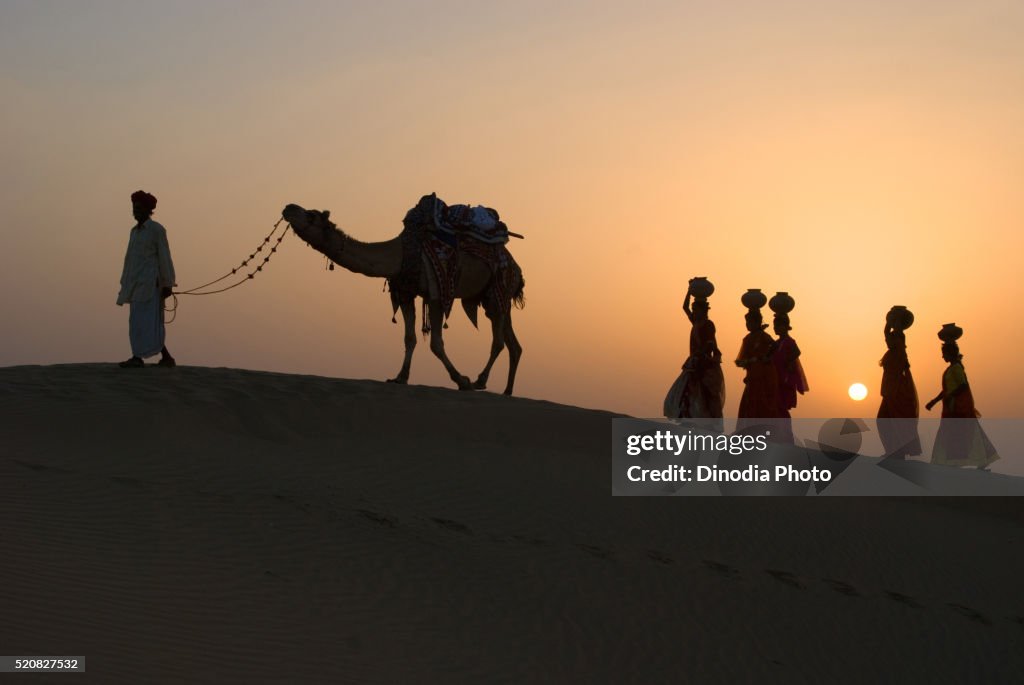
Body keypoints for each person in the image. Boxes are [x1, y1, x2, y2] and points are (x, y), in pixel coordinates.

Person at [116, 190, 177, 368]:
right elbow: (129, 259)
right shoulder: (134, 232)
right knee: (137, 323)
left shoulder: (157, 230)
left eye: (138, 208)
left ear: (147, 210)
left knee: (151, 323)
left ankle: (145, 358)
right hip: (136, 285)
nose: (135, 211)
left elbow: (165, 257)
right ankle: (149, 357)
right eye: (134, 208)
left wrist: (167, 283)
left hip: (152, 285)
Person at [925, 342, 998, 470]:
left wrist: (950, 396)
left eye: (944, 354)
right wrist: (934, 401)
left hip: (958, 409)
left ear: (950, 353)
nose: (942, 357)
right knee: (954, 435)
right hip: (951, 408)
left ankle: (980, 460)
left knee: (966, 434)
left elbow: (963, 386)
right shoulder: (951, 369)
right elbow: (946, 389)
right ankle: (953, 462)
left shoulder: (956, 368)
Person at [663, 285, 725, 423]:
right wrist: (689, 291)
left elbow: (710, 343)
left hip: (703, 363)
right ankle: (689, 418)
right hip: (694, 361)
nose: (694, 312)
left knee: (704, 393)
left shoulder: (708, 324)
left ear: (702, 310)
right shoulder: (696, 323)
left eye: (696, 310)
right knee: (689, 391)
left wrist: (700, 355)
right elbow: (684, 307)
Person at [877, 318, 922, 458]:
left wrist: (896, 324)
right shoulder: (892, 352)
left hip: (896, 392)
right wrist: (889, 321)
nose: (887, 340)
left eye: (890, 339)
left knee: (892, 421)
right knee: (885, 421)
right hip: (889, 392)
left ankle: (897, 452)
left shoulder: (899, 350)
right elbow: (886, 332)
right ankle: (893, 450)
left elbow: (897, 336)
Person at [735, 309, 780, 431]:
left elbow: (775, 346)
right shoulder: (748, 338)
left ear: (757, 322)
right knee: (751, 400)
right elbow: (743, 359)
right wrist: (749, 361)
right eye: (747, 322)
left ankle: (762, 429)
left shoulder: (764, 336)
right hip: (753, 374)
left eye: (749, 322)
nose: (747, 325)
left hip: (765, 373)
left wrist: (765, 357)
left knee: (763, 400)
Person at [771, 314, 808, 443]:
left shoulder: (789, 341)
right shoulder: (776, 343)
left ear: (785, 327)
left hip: (784, 381)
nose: (775, 328)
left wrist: (787, 362)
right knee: (775, 409)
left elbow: (797, 352)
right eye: (774, 325)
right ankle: (779, 436)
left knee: (782, 409)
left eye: (777, 325)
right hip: (776, 380)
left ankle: (787, 437)